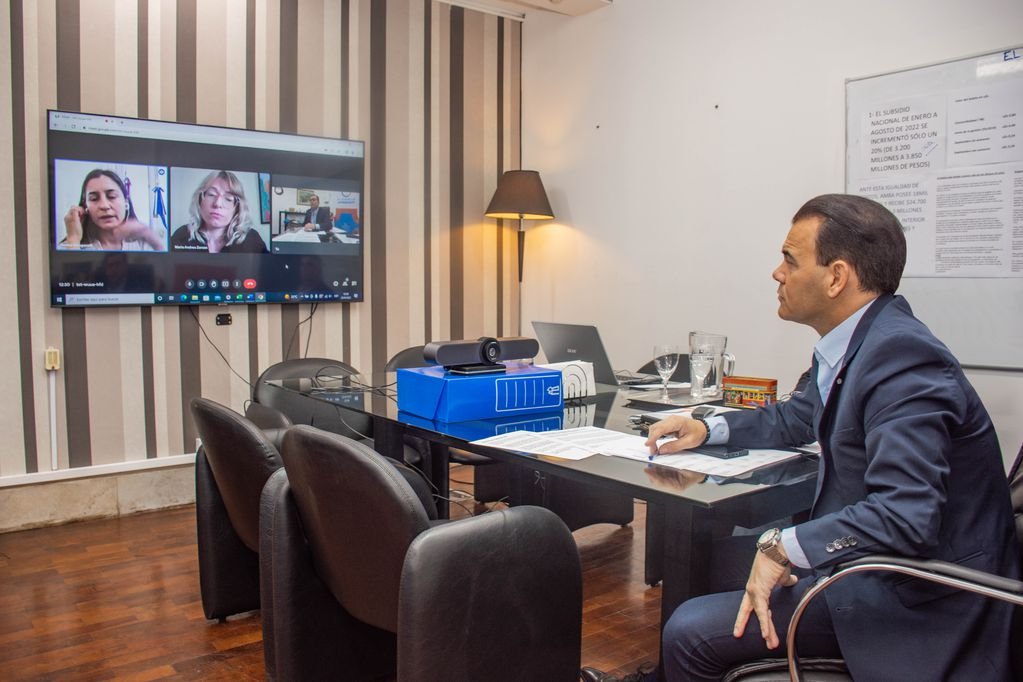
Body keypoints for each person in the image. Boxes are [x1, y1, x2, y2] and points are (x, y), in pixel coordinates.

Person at [584, 194, 1019, 682]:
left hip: (919, 599)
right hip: (875, 563)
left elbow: (906, 515)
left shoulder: (902, 359)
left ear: (836, 277)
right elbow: (797, 418)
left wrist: (786, 547)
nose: (777, 273)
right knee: (719, 561)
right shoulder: (858, 340)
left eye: (790, 259)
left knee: (689, 628)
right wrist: (708, 427)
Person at [59, 169, 166, 251]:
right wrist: (73, 238)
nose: (104, 205)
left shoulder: (142, 243)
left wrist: (151, 237)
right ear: (84, 207)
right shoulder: (70, 244)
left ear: (126, 202)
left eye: (112, 196)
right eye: (94, 199)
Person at [170, 171, 268, 253]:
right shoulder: (182, 234)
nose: (217, 204)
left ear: (237, 208)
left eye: (228, 199)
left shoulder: (252, 239)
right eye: (211, 194)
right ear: (200, 200)